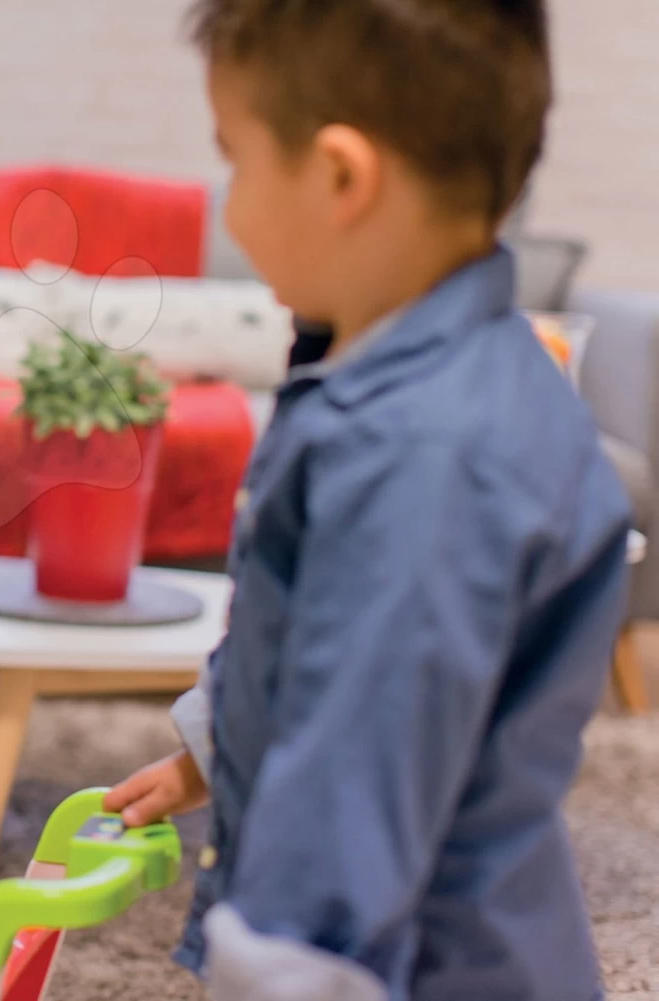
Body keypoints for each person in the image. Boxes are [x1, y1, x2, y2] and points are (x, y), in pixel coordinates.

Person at [104, 2, 632, 999]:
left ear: (342, 177)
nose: (232, 204)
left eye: (240, 161)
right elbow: (334, 650)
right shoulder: (417, 371)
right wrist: (214, 748)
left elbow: (351, 807)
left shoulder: (423, 454)